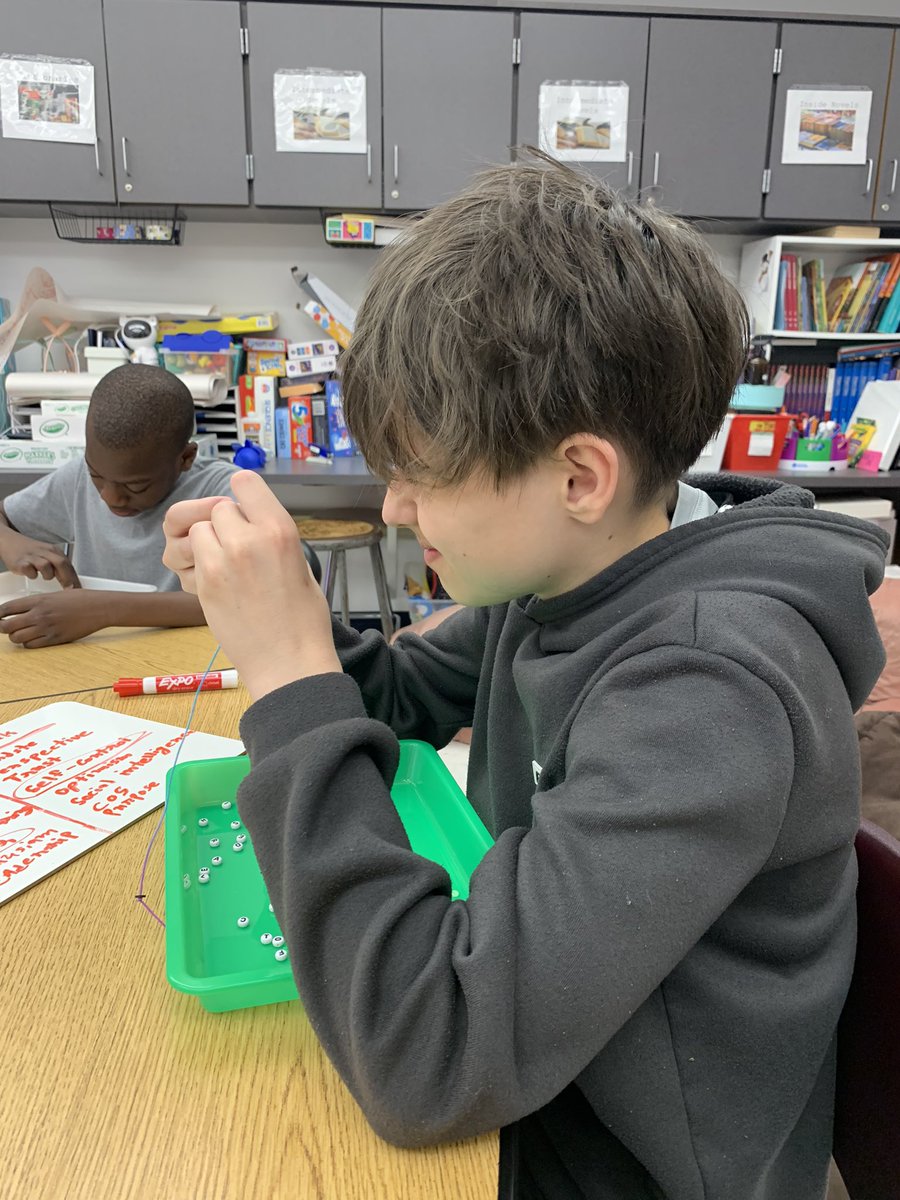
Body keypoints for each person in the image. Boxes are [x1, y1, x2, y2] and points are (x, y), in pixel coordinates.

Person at [162, 158, 887, 1200]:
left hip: (634, 1159)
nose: (395, 510)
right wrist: (285, 614)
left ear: (577, 477)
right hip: (556, 1057)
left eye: (420, 474)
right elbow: (405, 700)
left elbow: (427, 1056)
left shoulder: (709, 687)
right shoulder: (565, 571)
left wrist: (287, 674)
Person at [0, 363, 238, 648]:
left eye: (136, 486)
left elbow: (241, 598)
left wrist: (104, 610)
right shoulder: (77, 478)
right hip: (95, 654)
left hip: (187, 657)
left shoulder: (221, 494)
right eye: (96, 476)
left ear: (185, 458)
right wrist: (9, 541)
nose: (110, 497)